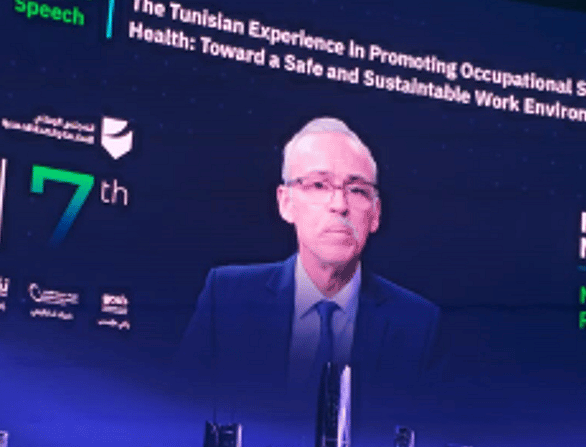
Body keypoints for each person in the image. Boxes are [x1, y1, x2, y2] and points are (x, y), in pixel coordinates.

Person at [179, 117, 439, 410]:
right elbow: (177, 414)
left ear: (376, 213)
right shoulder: (227, 298)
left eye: (357, 190)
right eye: (318, 185)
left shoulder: (418, 324)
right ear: (286, 202)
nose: (339, 205)